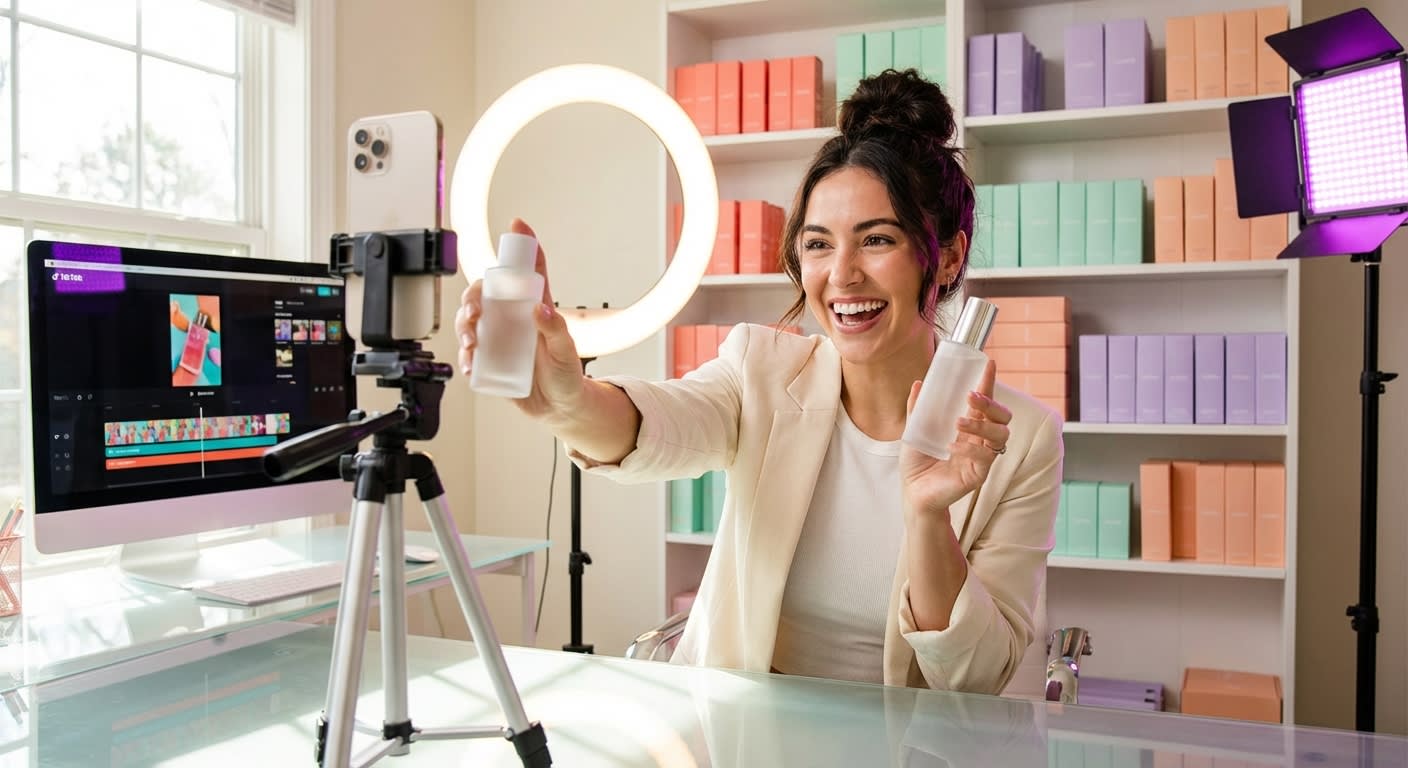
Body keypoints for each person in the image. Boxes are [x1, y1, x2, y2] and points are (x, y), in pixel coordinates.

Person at [456, 69, 1063, 694]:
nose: (842, 275)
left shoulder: (1020, 441)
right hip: (739, 733)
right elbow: (661, 425)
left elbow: (976, 678)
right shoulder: (764, 370)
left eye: (876, 239)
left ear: (950, 256)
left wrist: (929, 515)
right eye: (819, 244)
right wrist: (567, 401)